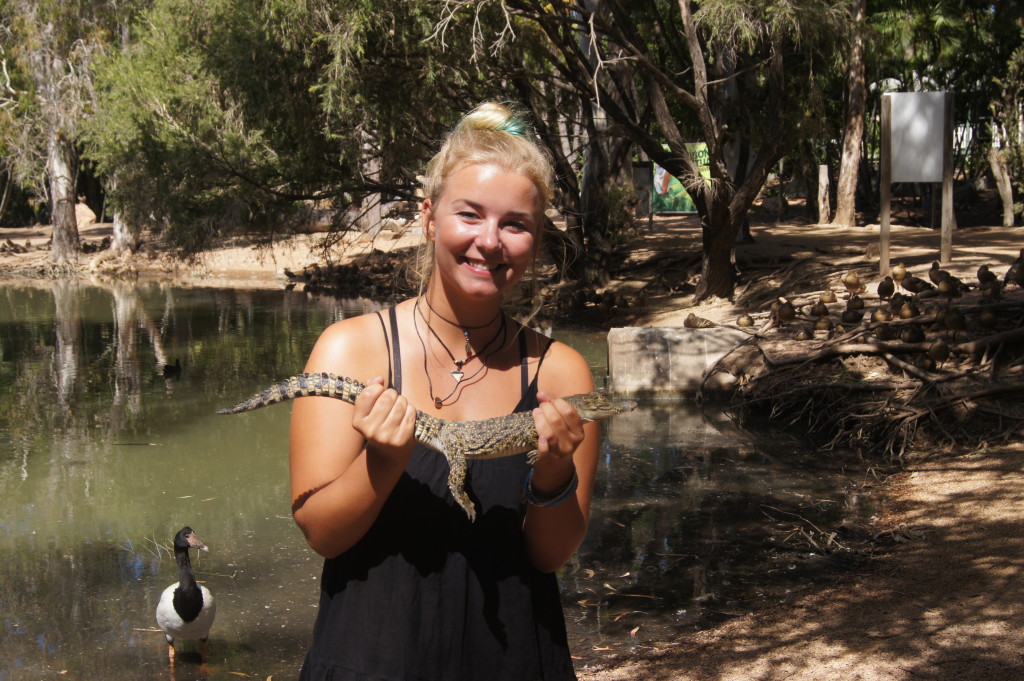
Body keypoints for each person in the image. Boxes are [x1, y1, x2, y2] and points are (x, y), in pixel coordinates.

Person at [289, 102, 600, 680]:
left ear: (535, 240)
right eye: (470, 215)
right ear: (429, 217)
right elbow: (323, 534)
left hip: (511, 659)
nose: (490, 241)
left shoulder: (562, 374)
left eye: (515, 224)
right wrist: (383, 460)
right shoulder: (348, 351)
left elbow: (550, 556)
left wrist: (553, 476)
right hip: (372, 659)